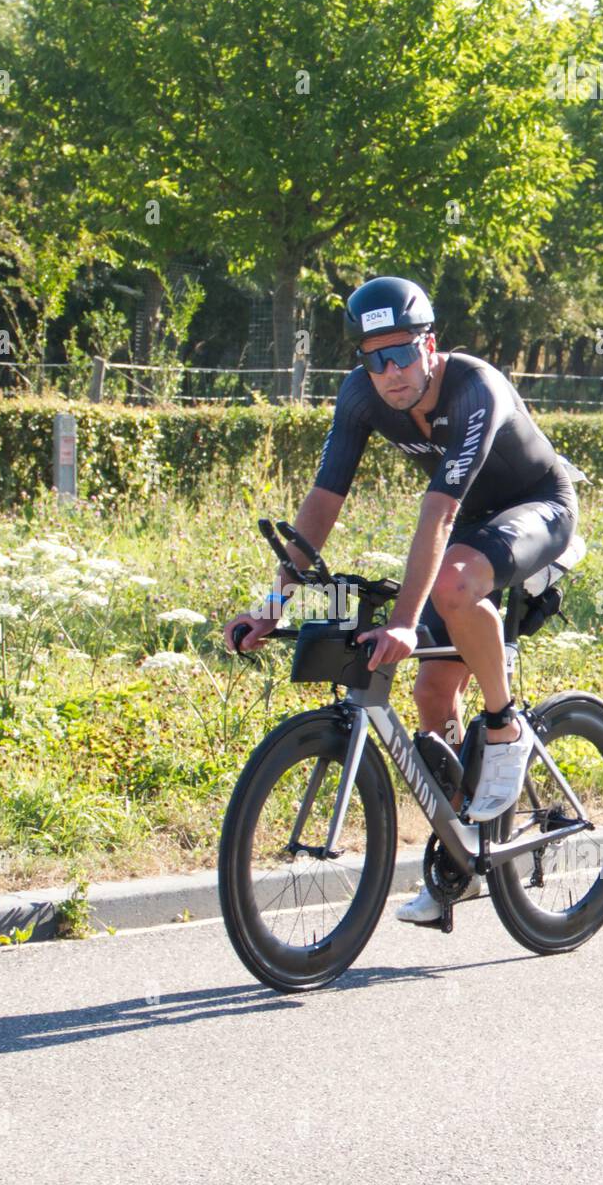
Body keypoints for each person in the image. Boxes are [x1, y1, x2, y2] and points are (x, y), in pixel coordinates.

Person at [223, 276, 579, 925]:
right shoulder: (362, 397)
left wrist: (407, 624)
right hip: (469, 536)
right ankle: (462, 852)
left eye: (401, 353)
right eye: (373, 357)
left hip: (537, 510)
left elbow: (436, 515)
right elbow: (323, 501)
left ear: (430, 346)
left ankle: (504, 727)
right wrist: (271, 605)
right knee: (430, 696)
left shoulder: (475, 390)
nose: (388, 371)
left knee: (445, 581)